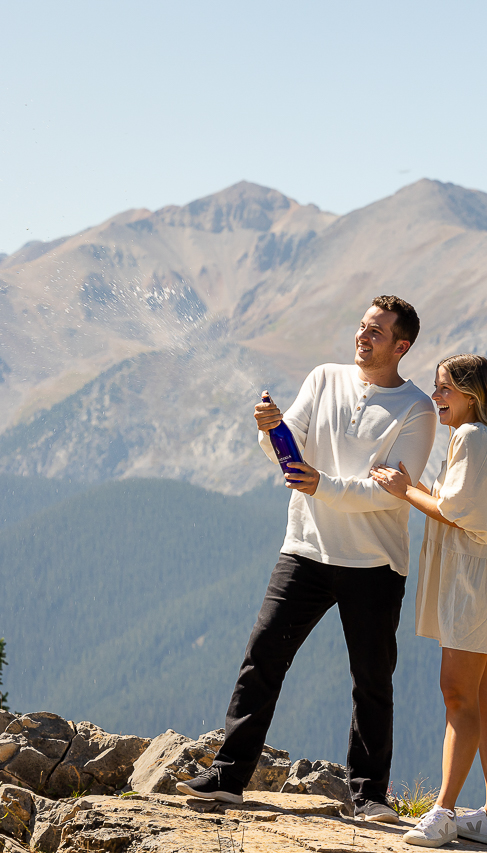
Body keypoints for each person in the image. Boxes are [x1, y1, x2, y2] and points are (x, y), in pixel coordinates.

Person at [177, 295, 438, 824]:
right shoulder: (323, 378)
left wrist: (324, 485)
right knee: (263, 657)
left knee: (371, 680)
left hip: (373, 562)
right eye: (362, 326)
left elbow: (393, 492)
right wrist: (269, 427)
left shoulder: (417, 409)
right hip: (305, 549)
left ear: (401, 346)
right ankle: (228, 777)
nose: (363, 337)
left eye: (377, 332)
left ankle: (368, 797)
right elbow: (285, 449)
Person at [372, 354, 487, 848]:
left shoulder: (472, 438)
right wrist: (421, 489)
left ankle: (443, 812)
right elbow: (462, 504)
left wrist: (406, 490)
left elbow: (459, 515)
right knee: (483, 698)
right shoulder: (485, 438)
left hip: (475, 584)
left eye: (444, 389)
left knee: (456, 692)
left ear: (471, 394)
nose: (436, 397)